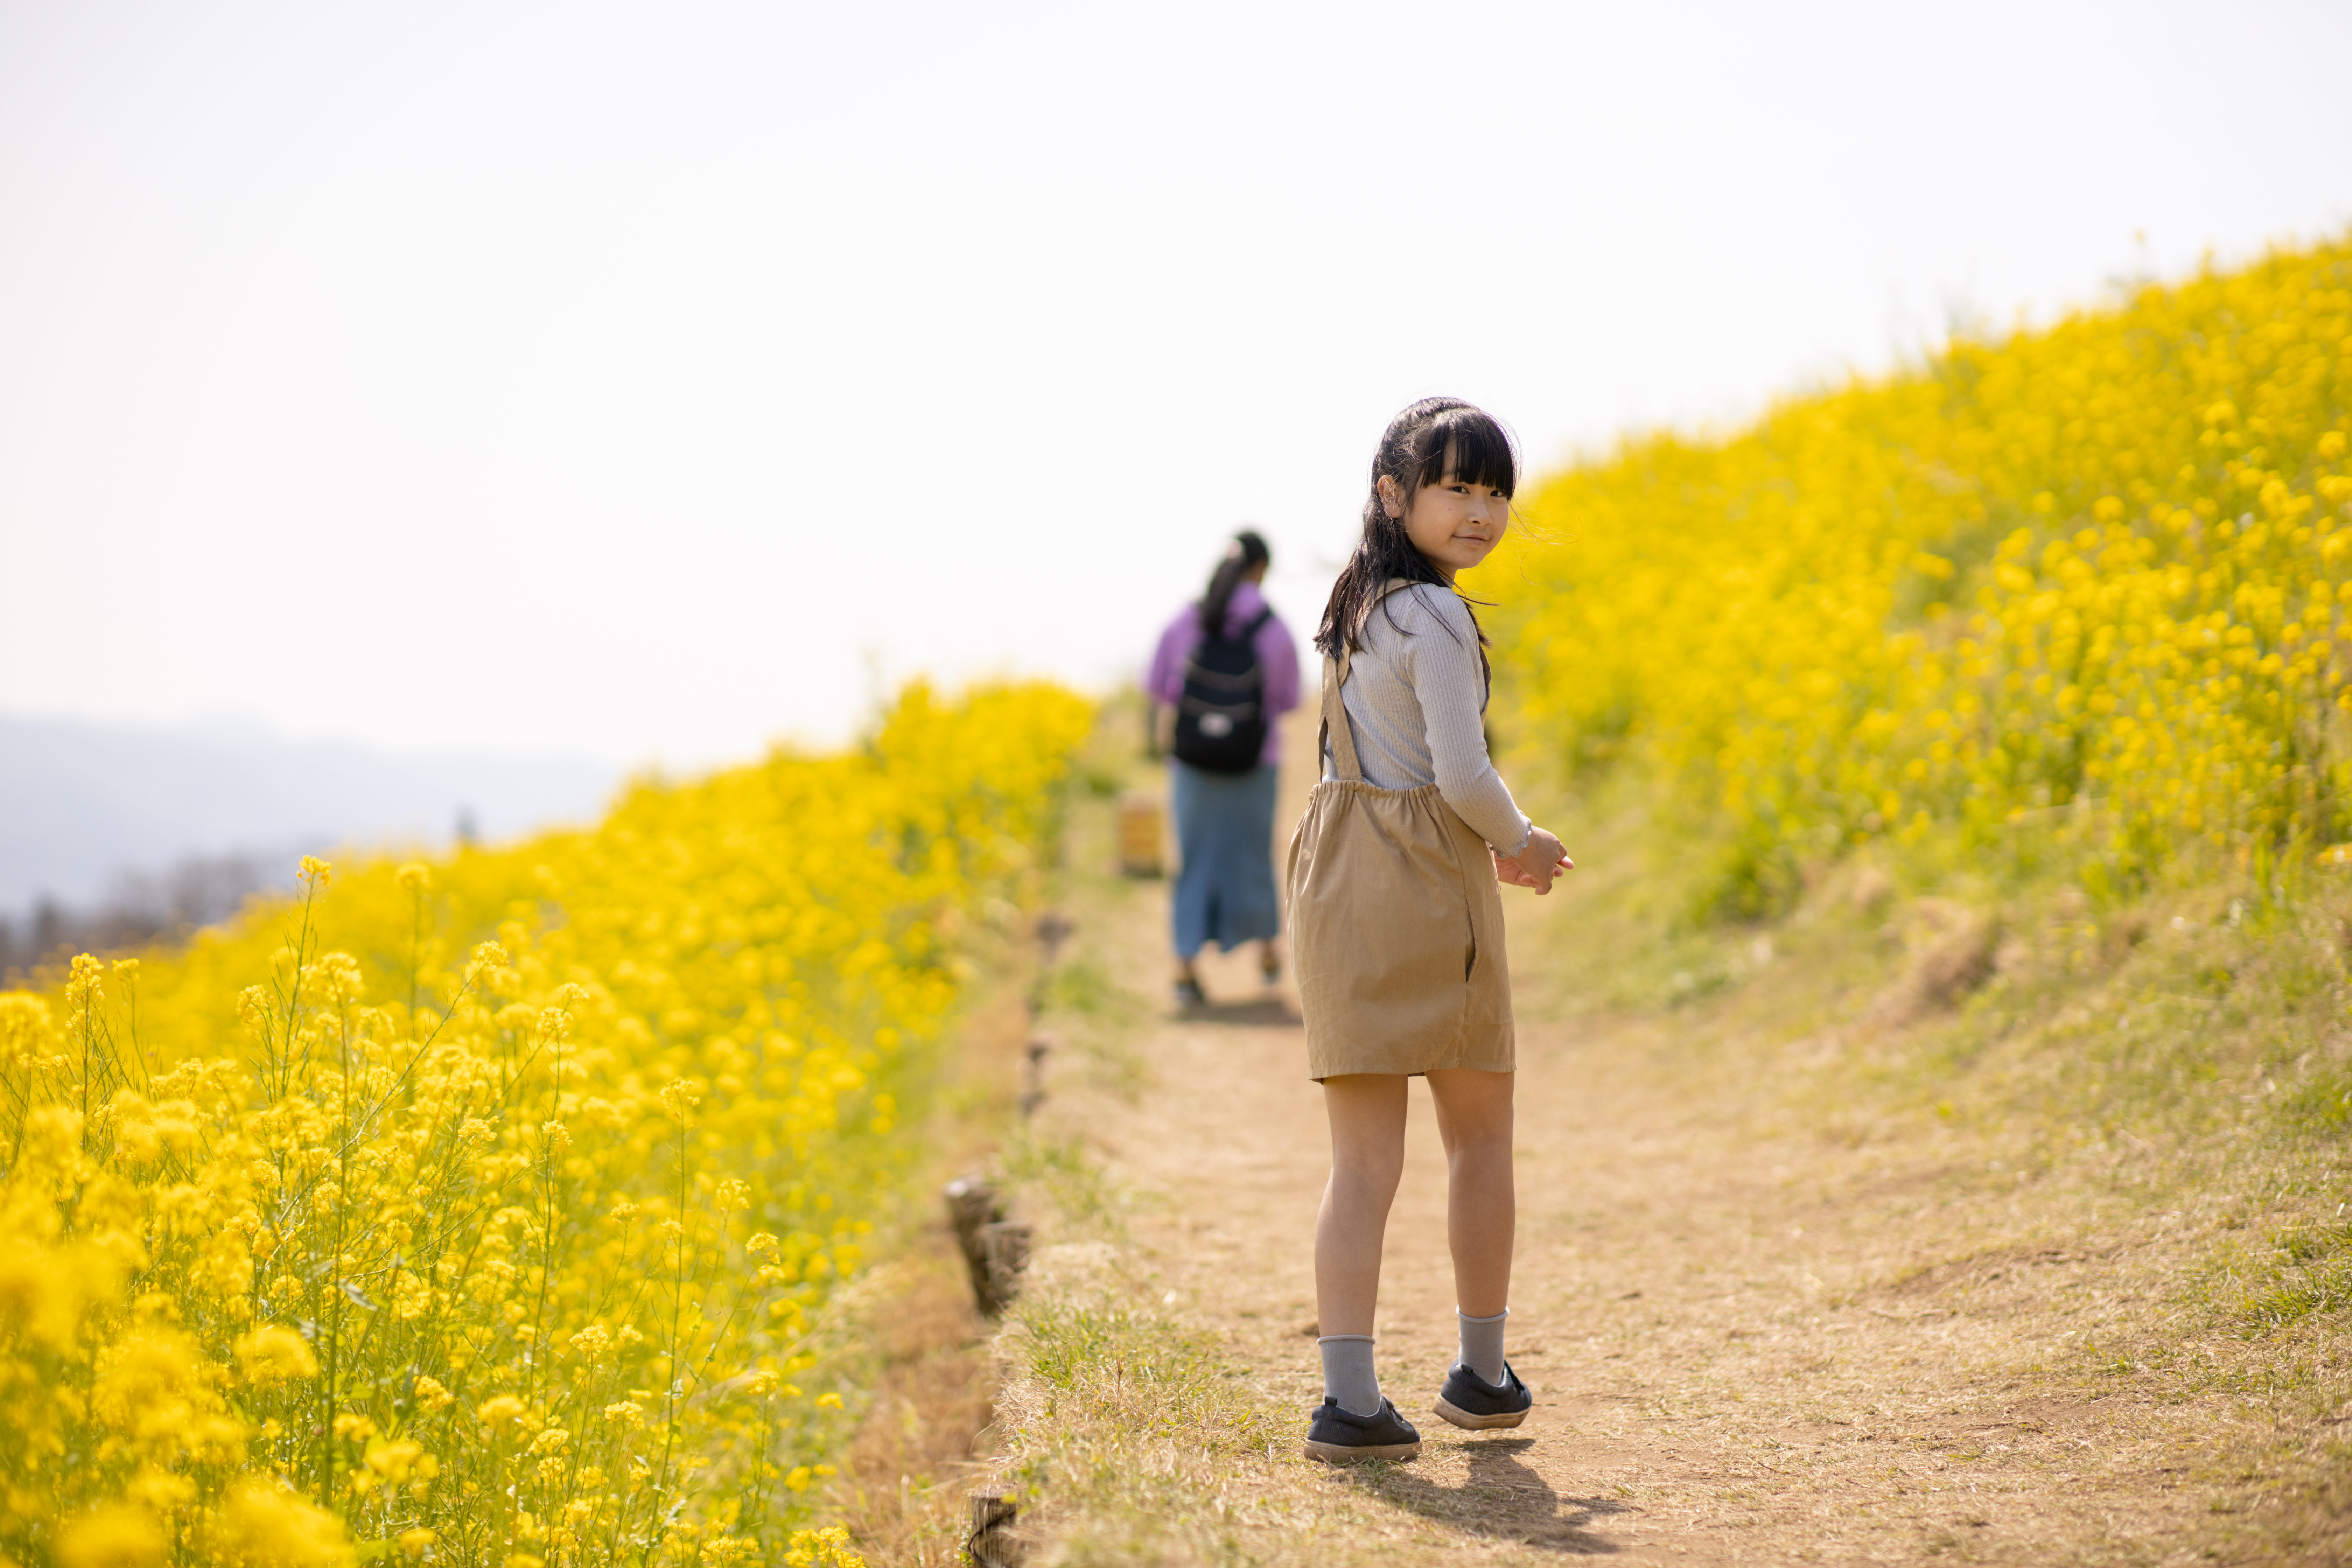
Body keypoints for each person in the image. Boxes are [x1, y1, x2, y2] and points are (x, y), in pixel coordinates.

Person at [1286, 398, 1572, 1463]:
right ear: (1393, 496)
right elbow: (1460, 774)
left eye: (1495, 490)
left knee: (1360, 1164)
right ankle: (1484, 1378)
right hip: (1426, 880)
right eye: (1457, 486)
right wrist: (1525, 841)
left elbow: (1385, 759)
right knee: (1479, 1138)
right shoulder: (1442, 618)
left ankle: (1349, 1402)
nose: (1482, 509)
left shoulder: (1355, 608)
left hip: (1337, 869)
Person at [1146, 529, 1302, 1009]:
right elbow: (1289, 699)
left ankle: (1185, 969)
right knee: (1254, 855)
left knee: (1194, 861)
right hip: (1254, 762)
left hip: (1192, 762)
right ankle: (1268, 951)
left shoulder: (1188, 620)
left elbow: (1158, 683)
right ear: (1263, 571)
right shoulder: (1273, 629)